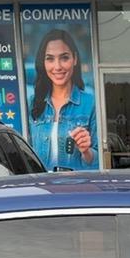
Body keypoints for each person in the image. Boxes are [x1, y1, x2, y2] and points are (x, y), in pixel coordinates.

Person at [26, 28, 97, 170]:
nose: (57, 66)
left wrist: (86, 151)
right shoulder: (31, 103)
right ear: (43, 62)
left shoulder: (91, 103)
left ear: (75, 59)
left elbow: (100, 162)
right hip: (41, 187)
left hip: (75, 188)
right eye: (50, 59)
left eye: (64, 58)